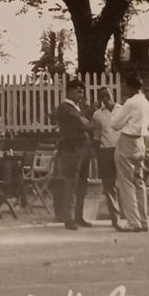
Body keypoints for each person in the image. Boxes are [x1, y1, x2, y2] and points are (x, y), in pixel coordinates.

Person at [109, 76, 149, 232]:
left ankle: (133, 221)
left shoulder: (130, 102)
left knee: (126, 182)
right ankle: (143, 220)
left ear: (131, 87)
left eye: (126, 87)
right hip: (140, 142)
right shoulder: (146, 103)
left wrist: (116, 112)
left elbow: (114, 124)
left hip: (127, 141)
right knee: (139, 181)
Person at [52, 91, 93, 229]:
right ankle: (69, 218)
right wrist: (87, 121)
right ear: (71, 90)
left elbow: (86, 123)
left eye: (82, 92)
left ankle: (78, 216)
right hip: (73, 149)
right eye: (78, 91)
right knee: (72, 182)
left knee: (82, 183)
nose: (81, 95)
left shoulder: (77, 108)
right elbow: (86, 125)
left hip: (83, 149)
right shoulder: (65, 108)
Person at [91, 88, 125, 228]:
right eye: (102, 97)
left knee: (124, 183)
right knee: (109, 185)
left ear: (113, 94)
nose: (105, 99)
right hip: (106, 151)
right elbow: (97, 137)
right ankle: (115, 218)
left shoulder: (123, 110)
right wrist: (97, 153)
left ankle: (128, 215)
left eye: (107, 95)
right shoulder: (97, 114)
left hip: (122, 150)